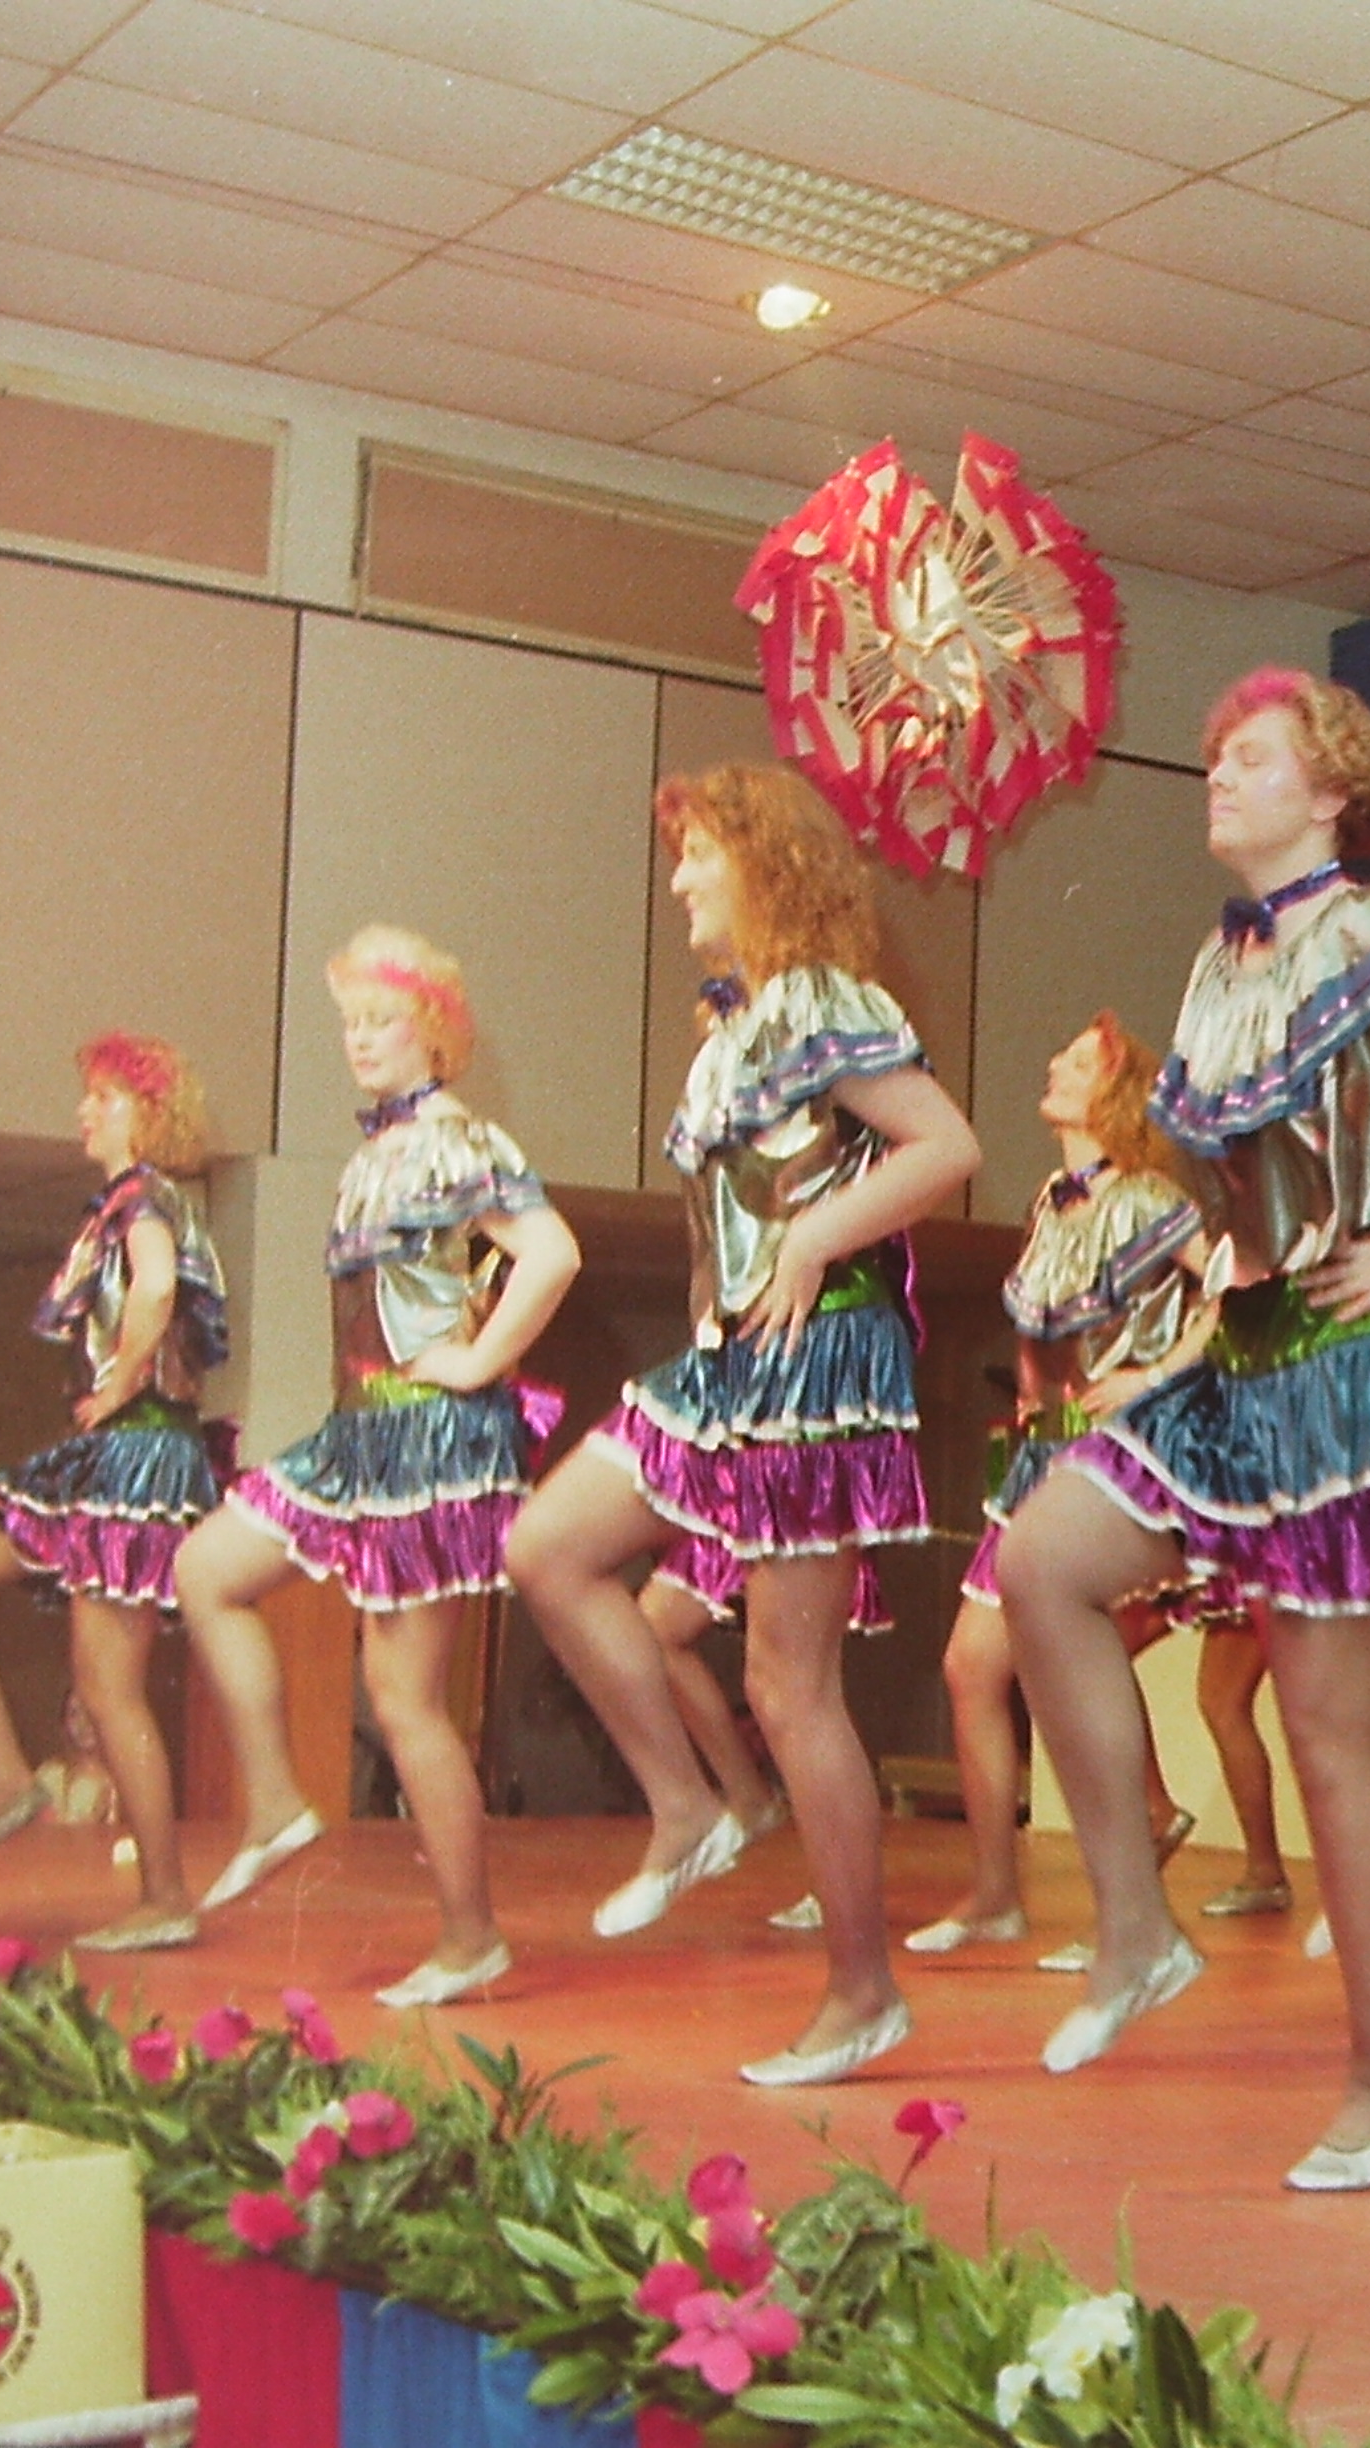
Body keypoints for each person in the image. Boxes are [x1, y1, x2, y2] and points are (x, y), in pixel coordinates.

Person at [993, 667, 1370, 2195]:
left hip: (1361, 1366)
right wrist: (1190, 1327)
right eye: (1215, 757)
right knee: (1042, 1563)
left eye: (1251, 757)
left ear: (1328, 794)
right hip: (1247, 1354)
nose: (1220, 776)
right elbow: (1237, 1193)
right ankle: (1137, 1929)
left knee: (1324, 1732)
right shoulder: (1218, 962)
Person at [504, 763, 979, 2086]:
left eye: (697, 856)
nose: (678, 884)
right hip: (731, 1365)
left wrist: (818, 1241)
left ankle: (863, 1992)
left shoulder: (824, 1001)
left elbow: (945, 1147)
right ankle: (686, 1805)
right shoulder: (739, 1028)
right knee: (548, 1547)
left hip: (821, 1362)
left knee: (787, 1683)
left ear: (764, 865)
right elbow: (727, 1230)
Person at [175, 927, 581, 2007]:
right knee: (206, 1570)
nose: (358, 1039)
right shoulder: (376, 1154)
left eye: (380, 1019)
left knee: (403, 1698)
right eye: (348, 1021)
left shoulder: (456, 1140)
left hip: (429, 1440)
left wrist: (480, 1363)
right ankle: (276, 1803)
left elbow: (552, 1253)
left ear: (433, 1030)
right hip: (357, 1432)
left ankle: (470, 1936)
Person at [0, 1035, 228, 1947]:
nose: (85, 1112)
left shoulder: (145, 1201)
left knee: (108, 1686)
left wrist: (122, 1377)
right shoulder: (129, 1204)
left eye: (104, 1098)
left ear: (147, 1114)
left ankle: (165, 1897)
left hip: (137, 1457)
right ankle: (8, 1770)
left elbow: (156, 1289)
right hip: (106, 1458)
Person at [919, 1015, 1216, 1958]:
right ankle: (998, 1891)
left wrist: (1157, 1372)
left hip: (1113, 1456)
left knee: (1055, 1666)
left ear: (1115, 1095)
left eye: (1079, 1061)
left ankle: (1129, 1892)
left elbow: (1235, 1289)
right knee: (974, 1668)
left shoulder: (1150, 1199)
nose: (1054, 1064)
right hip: (1042, 1456)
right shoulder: (1052, 1200)